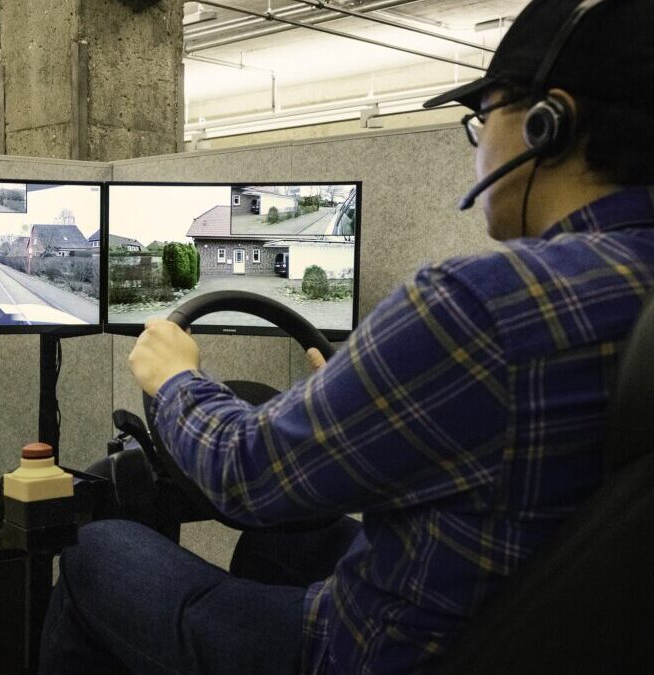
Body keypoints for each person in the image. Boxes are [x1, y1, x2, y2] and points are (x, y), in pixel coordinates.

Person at [40, 0, 654, 672]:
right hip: (517, 622)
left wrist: (175, 378)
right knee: (289, 544)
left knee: (93, 551)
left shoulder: (481, 307)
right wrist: (350, 397)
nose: (478, 147)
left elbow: (247, 472)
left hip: (361, 650)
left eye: (483, 118)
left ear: (548, 123)